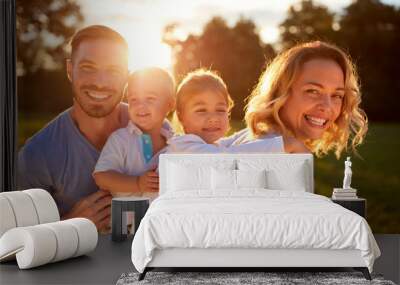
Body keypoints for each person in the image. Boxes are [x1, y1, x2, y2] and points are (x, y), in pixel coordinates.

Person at [17, 25, 130, 231]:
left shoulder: (154, 131)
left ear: (126, 77)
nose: (100, 83)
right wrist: (69, 226)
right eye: (88, 67)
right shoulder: (37, 154)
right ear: (70, 70)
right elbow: (15, 244)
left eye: (114, 70)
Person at [244, 41, 368, 158]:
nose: (326, 106)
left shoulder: (261, 143)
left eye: (336, 95)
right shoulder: (273, 158)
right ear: (280, 92)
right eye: (313, 91)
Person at [92, 67, 175, 198]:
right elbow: (101, 177)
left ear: (170, 105)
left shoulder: (177, 144)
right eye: (133, 99)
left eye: (150, 98)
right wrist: (137, 183)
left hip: (163, 216)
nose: (140, 106)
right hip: (128, 216)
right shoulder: (120, 139)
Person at [167, 69, 285, 153]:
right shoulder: (183, 145)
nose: (213, 118)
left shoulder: (212, 144)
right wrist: (282, 145)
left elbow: (234, 139)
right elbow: (227, 155)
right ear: (181, 117)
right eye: (201, 110)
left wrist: (265, 126)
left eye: (220, 110)